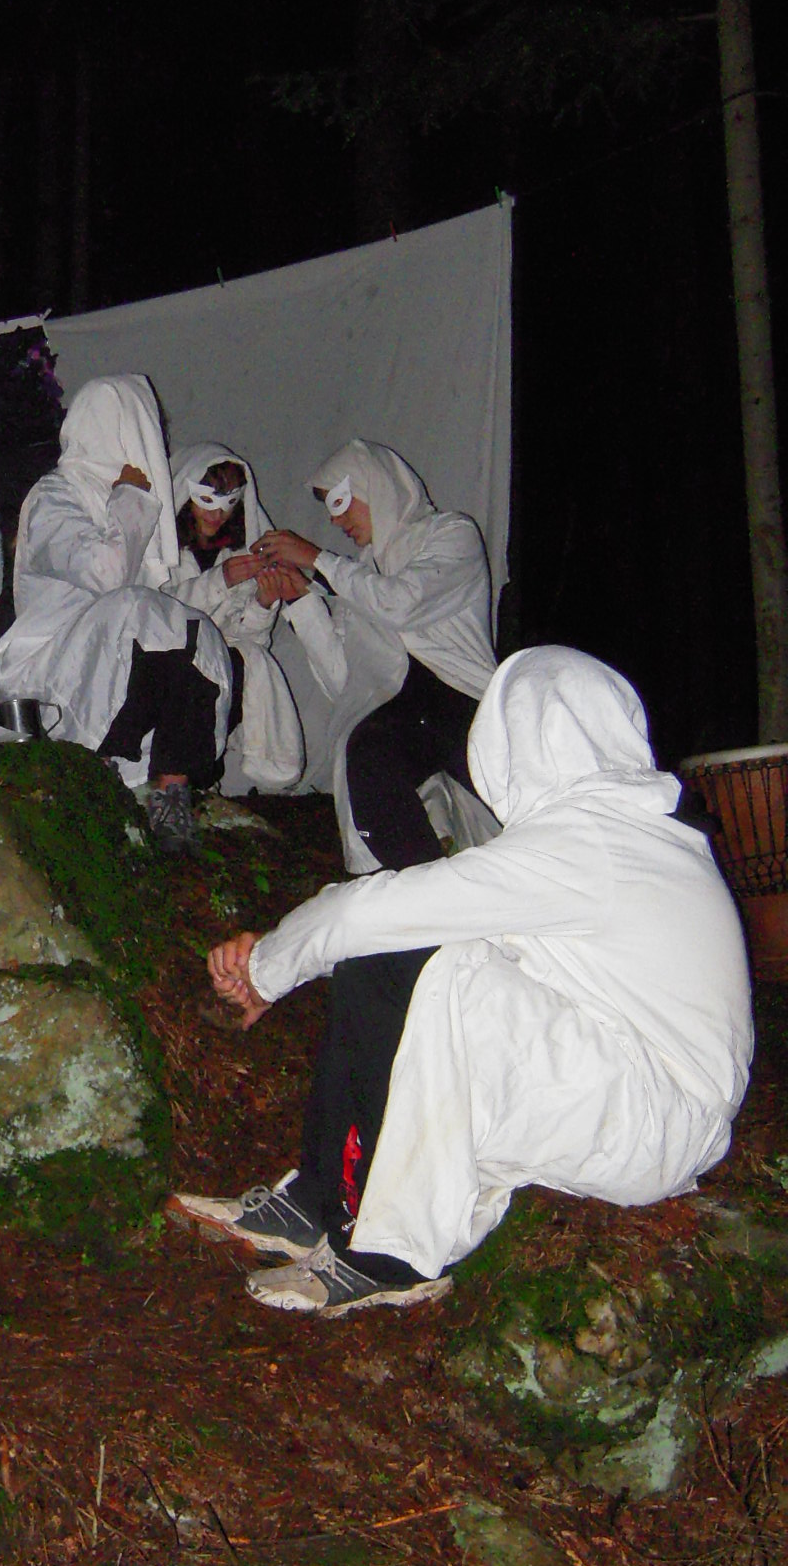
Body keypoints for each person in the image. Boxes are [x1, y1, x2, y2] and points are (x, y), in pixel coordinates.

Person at [169, 647, 752, 1317]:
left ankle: (390, 1254)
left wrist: (266, 969)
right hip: (635, 1092)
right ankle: (317, 1200)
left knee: (422, 961)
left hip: (653, 1119)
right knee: (395, 948)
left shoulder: (592, 841)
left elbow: (373, 912)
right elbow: (411, 912)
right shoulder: (623, 833)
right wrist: (282, 956)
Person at [0, 376, 233, 855]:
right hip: (51, 663)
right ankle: (96, 777)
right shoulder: (54, 496)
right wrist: (130, 499)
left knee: (195, 633)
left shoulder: (125, 495)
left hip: (115, 649)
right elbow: (105, 574)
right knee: (137, 612)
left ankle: (170, 797)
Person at [263, 438, 497, 873]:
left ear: (376, 486)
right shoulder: (361, 574)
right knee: (367, 753)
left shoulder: (450, 534)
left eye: (341, 502)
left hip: (463, 707)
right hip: (407, 720)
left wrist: (319, 560)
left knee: (519, 818)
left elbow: (400, 602)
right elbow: (346, 680)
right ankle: (416, 888)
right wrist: (301, 601)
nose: (336, 520)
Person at [165, 444, 304, 792]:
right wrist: (219, 581)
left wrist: (263, 604)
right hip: (166, 675)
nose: (218, 513)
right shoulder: (160, 551)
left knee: (248, 663)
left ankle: (207, 780)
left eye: (230, 501)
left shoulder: (240, 551)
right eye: (207, 499)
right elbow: (154, 614)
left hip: (220, 678)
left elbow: (248, 640)